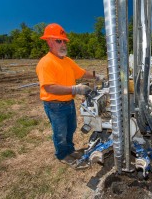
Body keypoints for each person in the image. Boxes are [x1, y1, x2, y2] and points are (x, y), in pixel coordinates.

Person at [36, 23, 103, 166]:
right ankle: (62, 155)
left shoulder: (67, 61)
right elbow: (50, 88)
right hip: (54, 105)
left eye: (64, 41)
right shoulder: (46, 63)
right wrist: (76, 89)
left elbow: (81, 72)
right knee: (60, 133)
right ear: (49, 42)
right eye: (58, 41)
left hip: (68, 102)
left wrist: (97, 76)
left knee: (70, 129)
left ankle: (70, 150)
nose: (63, 44)